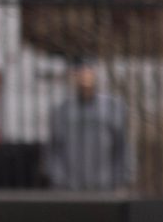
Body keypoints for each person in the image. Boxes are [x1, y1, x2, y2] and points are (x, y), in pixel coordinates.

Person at [46, 57, 134, 191]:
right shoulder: (62, 110)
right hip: (70, 187)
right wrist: (58, 180)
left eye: (88, 71)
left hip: (106, 186)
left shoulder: (113, 107)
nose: (84, 76)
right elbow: (54, 149)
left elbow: (123, 146)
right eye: (79, 72)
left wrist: (123, 179)